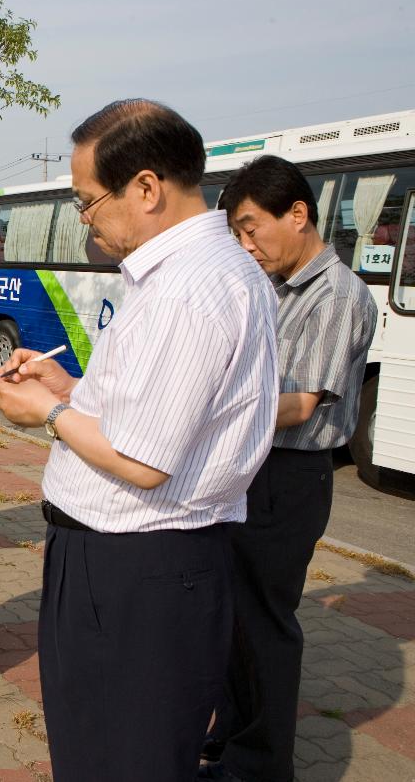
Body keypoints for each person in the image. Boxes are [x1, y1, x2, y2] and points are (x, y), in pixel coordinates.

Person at [0, 99, 278, 782]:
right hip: (138, 561)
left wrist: (46, 415)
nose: (86, 219)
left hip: (133, 567)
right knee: (110, 750)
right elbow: (150, 409)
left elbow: (143, 459)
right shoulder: (202, 272)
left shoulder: (186, 289)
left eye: (89, 201)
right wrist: (68, 388)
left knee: (116, 759)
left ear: (146, 187)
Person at [199, 156, 378, 782]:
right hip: (251, 468)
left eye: (252, 229)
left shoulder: (336, 295)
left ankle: (261, 766)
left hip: (287, 477)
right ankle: (233, 735)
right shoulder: (272, 288)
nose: (247, 246)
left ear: (297, 214)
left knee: (263, 628)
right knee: (233, 622)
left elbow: (300, 404)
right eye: (237, 236)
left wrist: (201, 412)